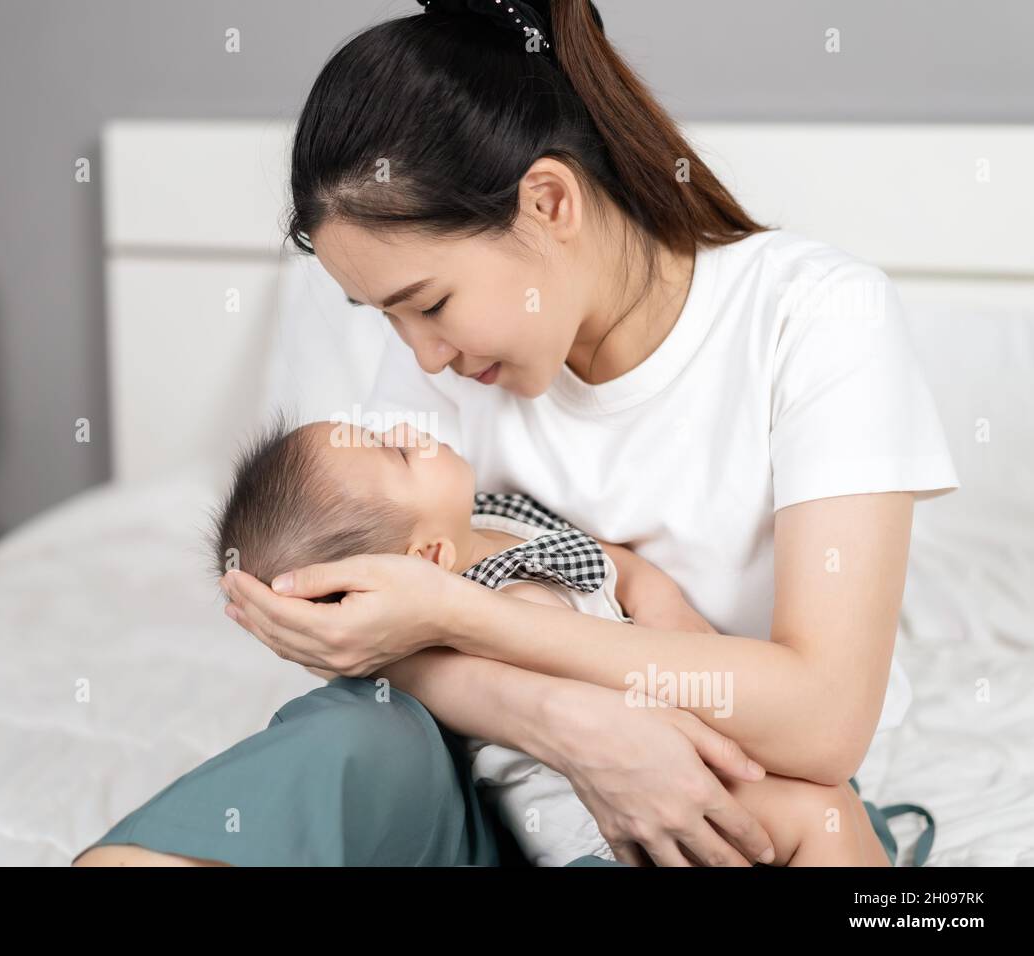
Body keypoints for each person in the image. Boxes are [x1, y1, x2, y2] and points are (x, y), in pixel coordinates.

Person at [74, 0, 956, 867]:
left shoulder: (814, 317)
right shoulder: (446, 393)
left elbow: (825, 724)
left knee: (823, 819)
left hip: (731, 795)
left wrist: (462, 615)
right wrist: (570, 726)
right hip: (494, 793)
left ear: (547, 202)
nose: (421, 358)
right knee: (358, 729)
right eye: (386, 320)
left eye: (429, 304)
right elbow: (362, 632)